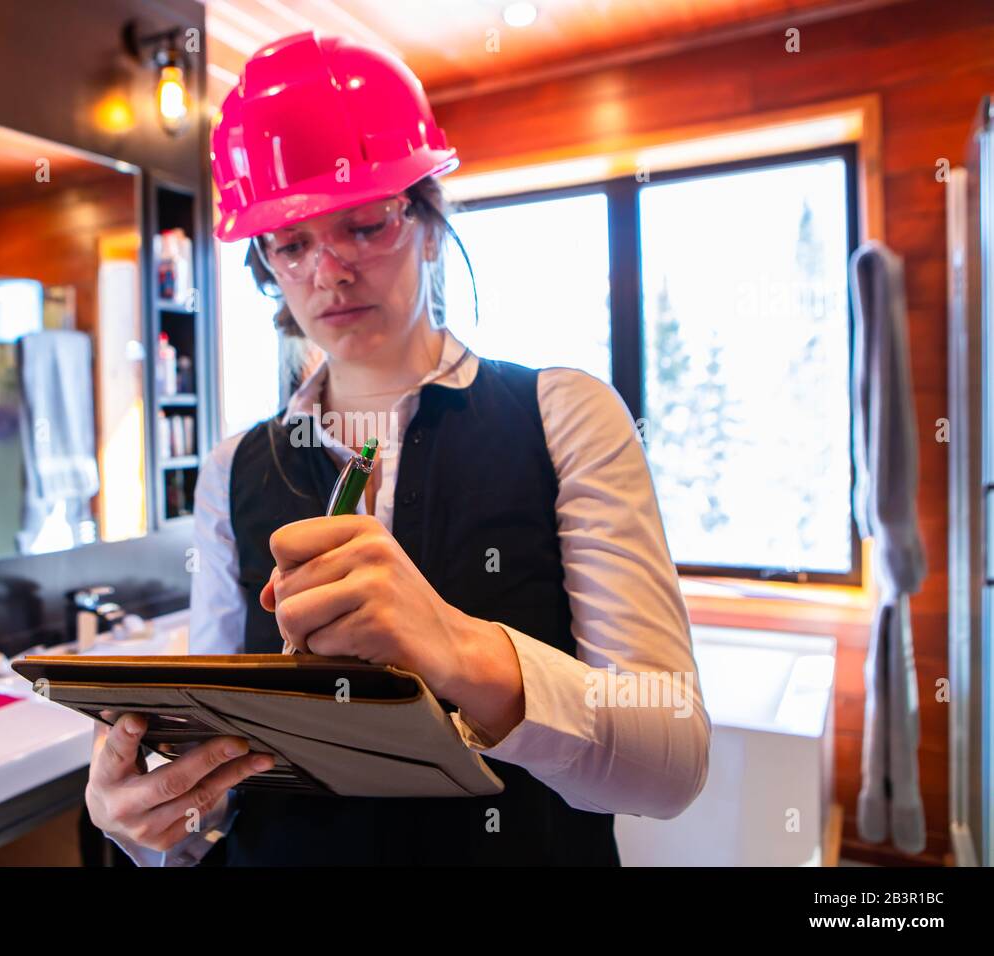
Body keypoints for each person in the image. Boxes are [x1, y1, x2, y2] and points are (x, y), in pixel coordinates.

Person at [85, 30, 710, 866]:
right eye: (292, 243)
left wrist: (458, 649)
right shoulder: (233, 468)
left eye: (365, 224)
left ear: (426, 220)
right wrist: (162, 816)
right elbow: (223, 769)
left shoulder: (563, 414)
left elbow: (671, 766)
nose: (330, 271)